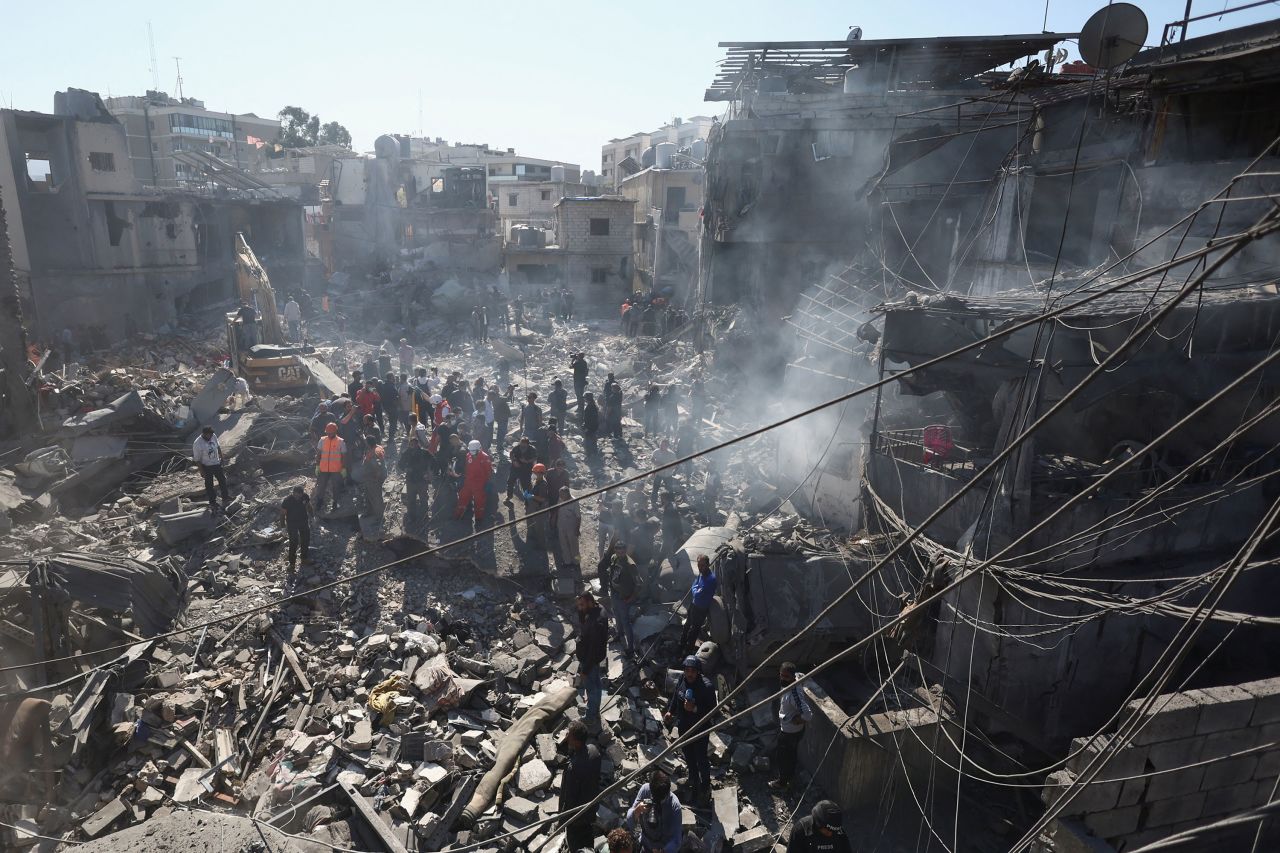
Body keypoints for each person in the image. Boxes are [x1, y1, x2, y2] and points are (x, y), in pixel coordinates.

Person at [664, 656, 716, 806]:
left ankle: (705, 786)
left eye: (693, 671)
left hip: (700, 729)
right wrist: (670, 712)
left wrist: (694, 709)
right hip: (684, 726)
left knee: (701, 758)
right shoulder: (682, 679)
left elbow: (713, 711)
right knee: (688, 755)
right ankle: (693, 778)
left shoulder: (706, 687)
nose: (689, 674)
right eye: (687, 670)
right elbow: (676, 696)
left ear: (698, 672)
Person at [558, 720, 602, 852]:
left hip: (576, 817)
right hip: (590, 809)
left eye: (569, 735)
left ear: (576, 740)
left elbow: (569, 796)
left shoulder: (574, 768)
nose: (566, 736)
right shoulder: (594, 751)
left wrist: (563, 819)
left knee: (575, 845)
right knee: (588, 839)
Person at [771, 661, 814, 794]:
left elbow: (808, 714)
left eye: (786, 677)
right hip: (789, 728)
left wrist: (799, 719)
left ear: (792, 678)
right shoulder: (792, 682)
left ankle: (782, 782)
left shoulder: (794, 694)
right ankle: (790, 777)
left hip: (790, 732)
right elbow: (802, 676)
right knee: (791, 754)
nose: (783, 679)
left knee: (783, 757)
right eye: (781, 675)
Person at [626, 770, 682, 853]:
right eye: (655, 799)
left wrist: (663, 851)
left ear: (667, 792)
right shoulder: (645, 790)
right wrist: (636, 811)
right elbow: (630, 822)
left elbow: (676, 840)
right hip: (645, 843)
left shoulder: (674, 806)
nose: (657, 803)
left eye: (660, 800)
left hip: (663, 847)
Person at [575, 591, 608, 727]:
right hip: (592, 655)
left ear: (589, 602)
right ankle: (594, 709)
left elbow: (593, 650)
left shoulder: (597, 622)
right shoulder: (597, 608)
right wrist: (582, 612)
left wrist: (585, 670)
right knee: (596, 684)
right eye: (578, 605)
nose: (580, 608)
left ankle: (590, 716)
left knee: (591, 686)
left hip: (591, 658)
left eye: (582, 605)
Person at [678, 554, 717, 655]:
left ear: (708, 565)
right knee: (687, 625)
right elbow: (694, 586)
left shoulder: (711, 579)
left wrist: (695, 590)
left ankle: (688, 651)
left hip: (701, 609)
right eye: (699, 565)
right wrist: (696, 590)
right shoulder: (701, 574)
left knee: (694, 631)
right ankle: (681, 645)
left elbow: (697, 594)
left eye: (703, 565)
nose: (700, 568)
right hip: (694, 605)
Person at [607, 541, 640, 656]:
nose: (620, 551)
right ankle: (619, 635)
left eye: (622, 549)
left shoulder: (630, 565)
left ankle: (630, 648)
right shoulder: (614, 558)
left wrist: (631, 597)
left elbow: (639, 583)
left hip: (623, 597)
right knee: (616, 615)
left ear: (625, 550)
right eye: (617, 549)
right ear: (615, 550)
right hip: (614, 593)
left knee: (626, 622)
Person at [785, 801, 850, 853]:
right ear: (818, 824)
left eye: (834, 832)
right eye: (827, 831)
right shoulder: (801, 830)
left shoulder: (839, 833)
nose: (830, 834)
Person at [192, 426, 231, 511]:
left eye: (211, 435)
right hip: (207, 466)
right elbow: (197, 459)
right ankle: (212, 502)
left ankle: (225, 497)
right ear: (204, 434)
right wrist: (202, 471)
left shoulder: (213, 436)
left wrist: (221, 457)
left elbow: (218, 446)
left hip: (216, 463)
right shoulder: (197, 443)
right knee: (209, 485)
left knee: (222, 480)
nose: (210, 437)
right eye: (208, 435)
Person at [398, 434, 432, 530]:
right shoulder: (407, 453)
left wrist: (429, 473)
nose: (412, 446)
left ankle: (424, 516)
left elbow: (433, 461)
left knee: (423, 499)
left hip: (422, 480)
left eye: (414, 444)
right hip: (411, 480)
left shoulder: (425, 453)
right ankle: (412, 517)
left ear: (418, 444)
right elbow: (400, 464)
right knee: (411, 499)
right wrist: (406, 469)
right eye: (411, 444)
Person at [454, 440, 492, 526]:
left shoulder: (485, 458)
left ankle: (479, 518)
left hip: (479, 484)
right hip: (469, 482)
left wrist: (486, 482)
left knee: (479, 501)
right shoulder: (468, 455)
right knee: (462, 497)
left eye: (474, 452)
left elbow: (489, 472)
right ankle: (458, 514)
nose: (472, 454)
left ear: (479, 449)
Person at [313, 422, 347, 513]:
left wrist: (343, 468)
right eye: (327, 433)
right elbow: (318, 454)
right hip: (323, 469)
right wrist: (317, 465)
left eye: (330, 433)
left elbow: (344, 456)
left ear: (335, 431)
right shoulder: (322, 440)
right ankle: (319, 502)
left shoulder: (341, 441)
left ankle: (335, 503)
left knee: (336, 487)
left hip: (336, 469)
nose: (328, 434)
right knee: (321, 487)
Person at [279, 486, 311, 571]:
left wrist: (312, 516)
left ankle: (304, 559)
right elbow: (282, 514)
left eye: (299, 495)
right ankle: (292, 564)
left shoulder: (305, 496)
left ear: (302, 494)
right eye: (295, 495)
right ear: (293, 493)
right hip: (292, 523)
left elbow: (308, 506)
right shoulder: (287, 501)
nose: (297, 497)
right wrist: (283, 527)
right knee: (293, 542)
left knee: (305, 540)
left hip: (303, 521)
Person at [557, 486, 581, 570]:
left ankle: (577, 563)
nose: (560, 496)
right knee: (564, 545)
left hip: (572, 527)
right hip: (561, 525)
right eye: (560, 494)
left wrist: (577, 529)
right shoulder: (560, 499)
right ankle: (567, 562)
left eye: (562, 495)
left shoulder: (574, 501)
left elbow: (578, 517)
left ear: (567, 494)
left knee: (574, 546)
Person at [506, 436, 536, 503]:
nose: (522, 446)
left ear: (528, 444)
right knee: (510, 482)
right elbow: (511, 453)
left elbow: (535, 458)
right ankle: (509, 496)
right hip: (515, 468)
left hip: (526, 470)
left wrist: (527, 461)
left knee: (526, 486)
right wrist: (514, 461)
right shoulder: (516, 447)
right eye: (521, 444)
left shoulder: (532, 449)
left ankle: (527, 501)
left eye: (524, 444)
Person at [651, 440, 677, 505]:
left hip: (668, 475)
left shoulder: (672, 454)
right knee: (655, 489)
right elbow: (652, 459)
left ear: (667, 446)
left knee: (669, 489)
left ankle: (670, 503)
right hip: (658, 474)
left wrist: (667, 467)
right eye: (661, 445)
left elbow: (675, 465)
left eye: (663, 445)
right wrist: (655, 463)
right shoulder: (656, 451)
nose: (661, 446)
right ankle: (653, 502)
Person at [380, 373, 400, 444]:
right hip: (392, 407)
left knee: (392, 422)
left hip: (386, 407)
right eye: (393, 376)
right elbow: (395, 396)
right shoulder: (391, 386)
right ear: (391, 377)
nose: (394, 378)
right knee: (393, 423)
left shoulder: (384, 385)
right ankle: (391, 437)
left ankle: (391, 436)